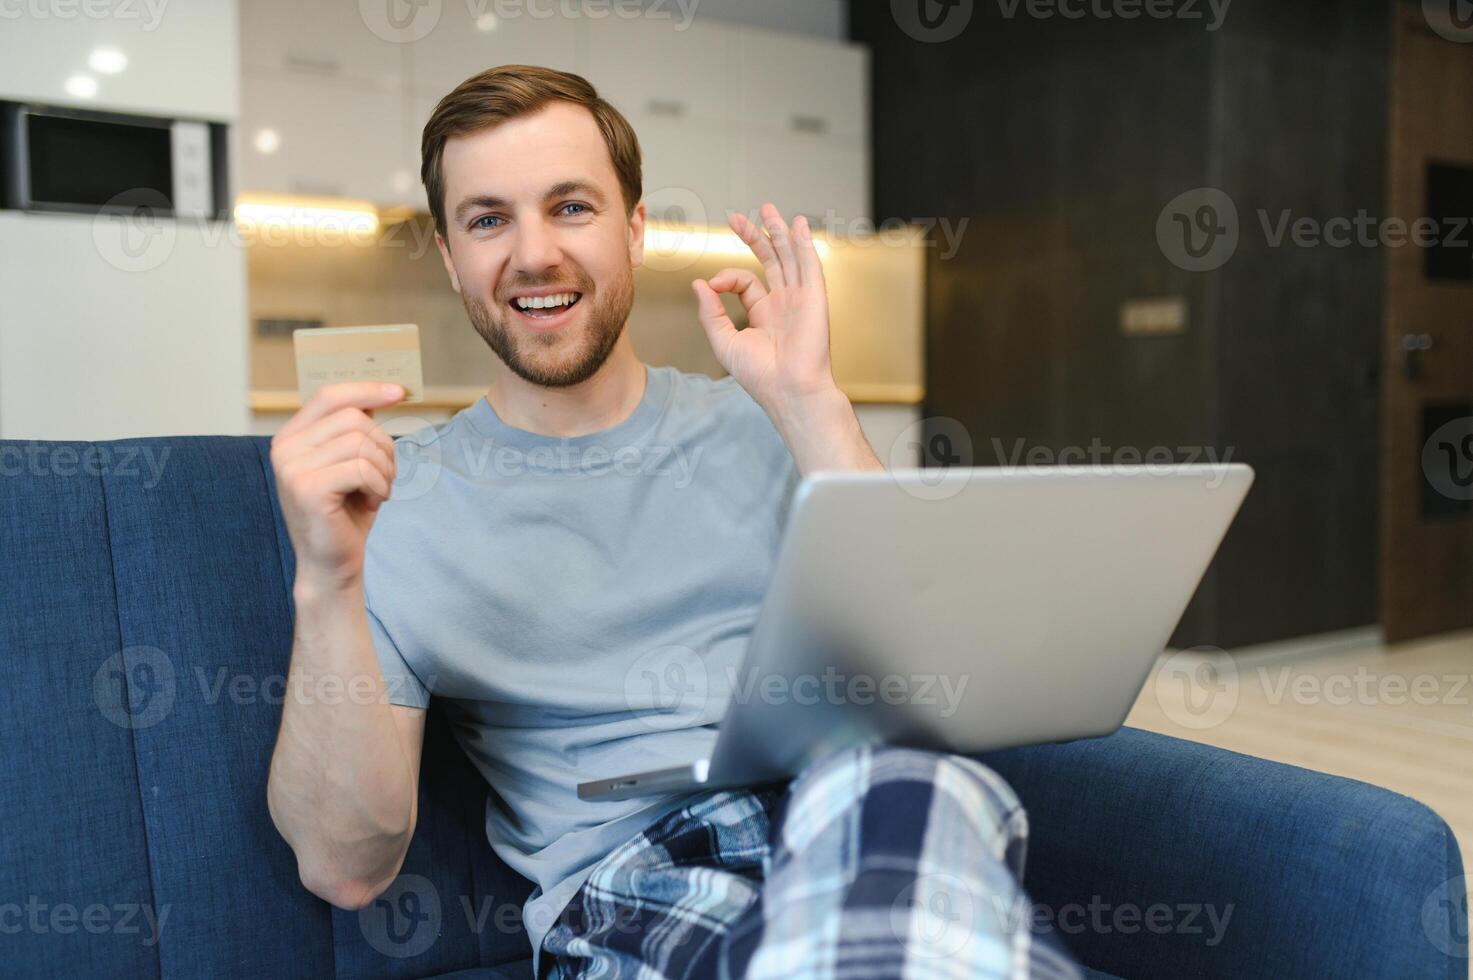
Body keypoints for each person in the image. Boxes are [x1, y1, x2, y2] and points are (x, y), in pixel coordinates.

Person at [265, 64, 1080, 980]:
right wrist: (325, 581)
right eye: (488, 218)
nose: (533, 253)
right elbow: (345, 867)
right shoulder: (391, 502)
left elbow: (935, 680)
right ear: (452, 258)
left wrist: (810, 401)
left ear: (636, 230)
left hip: (849, 808)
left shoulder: (765, 420)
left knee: (918, 789)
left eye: (570, 206)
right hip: (630, 882)